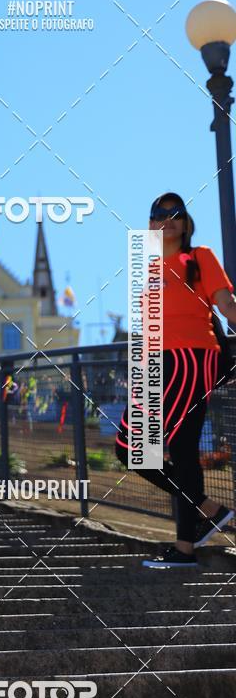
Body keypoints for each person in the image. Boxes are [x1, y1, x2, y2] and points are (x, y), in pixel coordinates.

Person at [115, 192, 236, 568]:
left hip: (189, 358)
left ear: (185, 222)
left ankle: (208, 512)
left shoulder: (199, 257)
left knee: (132, 448)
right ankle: (188, 544)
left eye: (175, 213)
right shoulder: (147, 266)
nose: (166, 219)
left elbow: (227, 304)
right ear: (150, 223)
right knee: (179, 453)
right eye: (158, 213)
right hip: (156, 362)